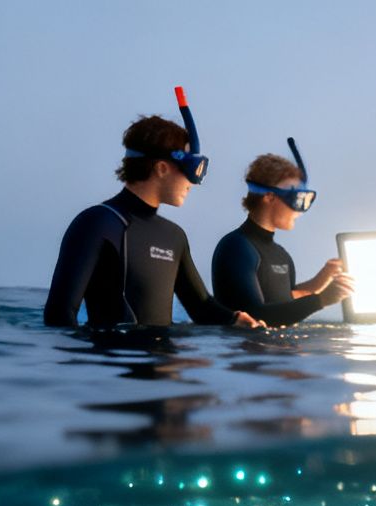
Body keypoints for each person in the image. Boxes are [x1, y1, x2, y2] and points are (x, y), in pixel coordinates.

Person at [45, 88, 262, 330]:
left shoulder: (174, 237)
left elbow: (200, 308)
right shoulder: (96, 224)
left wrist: (236, 321)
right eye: (191, 171)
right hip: (114, 364)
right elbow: (59, 315)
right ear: (161, 168)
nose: (193, 183)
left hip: (166, 363)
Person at [211, 140, 353, 326]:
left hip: (280, 352)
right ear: (269, 197)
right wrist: (322, 300)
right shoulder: (235, 247)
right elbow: (255, 314)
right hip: (248, 354)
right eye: (297, 200)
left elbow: (284, 299)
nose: (300, 211)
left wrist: (322, 279)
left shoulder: (281, 254)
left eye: (306, 200)